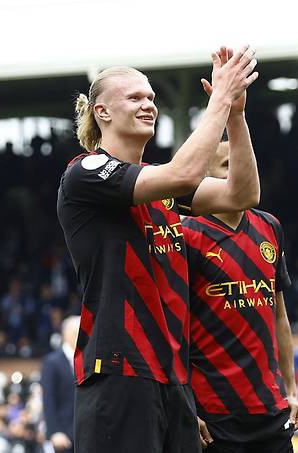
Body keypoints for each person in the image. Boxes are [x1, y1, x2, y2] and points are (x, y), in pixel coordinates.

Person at [56, 45, 260, 453]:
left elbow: (243, 194)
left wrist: (235, 116)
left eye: (151, 97)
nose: (148, 104)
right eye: (135, 97)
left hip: (173, 377)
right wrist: (218, 100)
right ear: (103, 112)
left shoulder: (158, 184)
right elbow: (183, 173)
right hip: (120, 371)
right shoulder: (86, 172)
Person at [182, 139, 298, 452]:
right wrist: (186, 404)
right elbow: (173, 328)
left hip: (271, 406)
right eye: (227, 165)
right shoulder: (187, 234)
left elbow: (279, 315)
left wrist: (291, 389)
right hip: (215, 413)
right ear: (203, 175)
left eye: (242, 163)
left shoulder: (269, 227)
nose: (238, 172)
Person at [41, 315, 80, 453]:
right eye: (78, 332)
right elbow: (48, 398)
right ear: (67, 334)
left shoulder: (88, 361)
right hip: (63, 434)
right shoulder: (52, 361)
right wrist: (54, 431)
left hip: (85, 433)